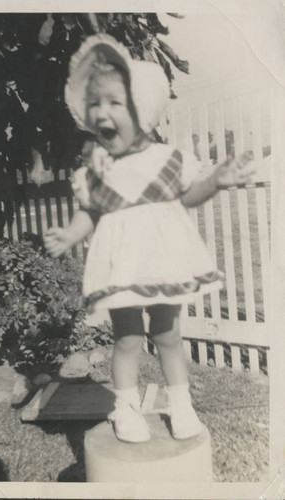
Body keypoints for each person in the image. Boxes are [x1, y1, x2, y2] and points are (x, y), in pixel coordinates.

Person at [44, 34, 254, 443]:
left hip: (165, 259)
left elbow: (188, 196)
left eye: (115, 103)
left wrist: (216, 181)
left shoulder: (168, 159)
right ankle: (125, 407)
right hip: (123, 265)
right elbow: (91, 211)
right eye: (95, 104)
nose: (102, 112)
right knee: (127, 337)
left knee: (167, 333)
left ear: (143, 111)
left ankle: (181, 404)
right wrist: (70, 234)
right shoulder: (97, 171)